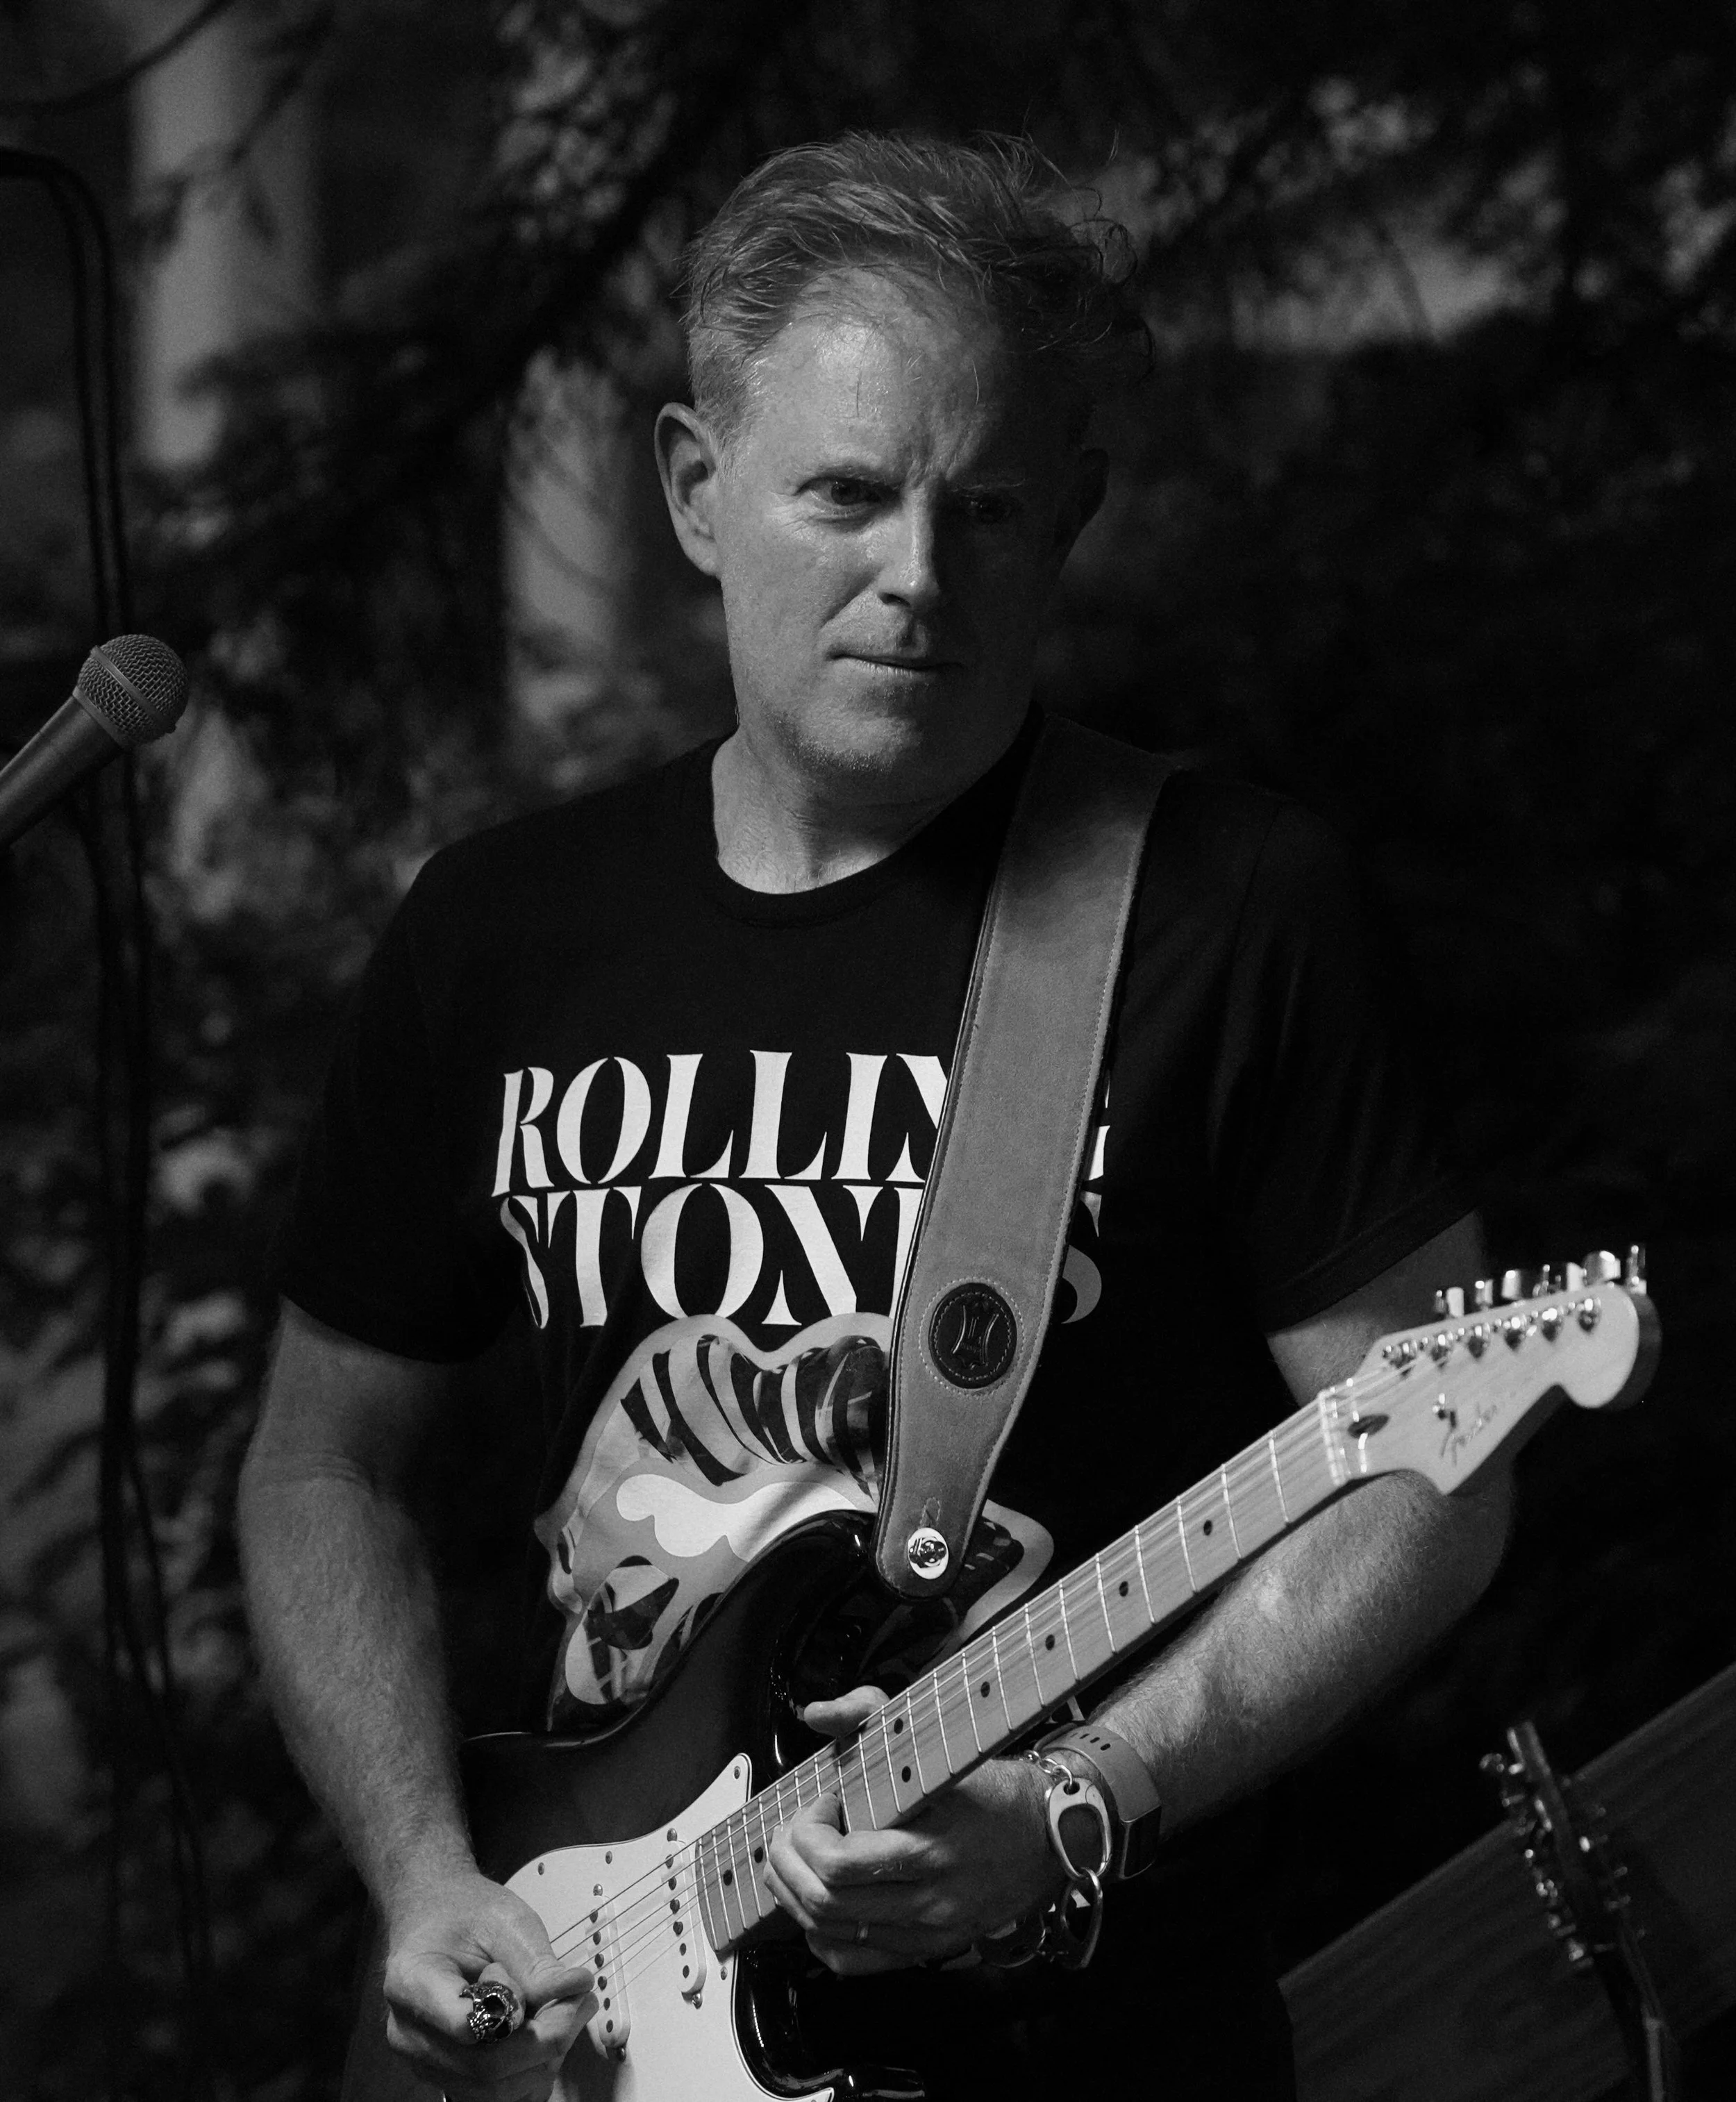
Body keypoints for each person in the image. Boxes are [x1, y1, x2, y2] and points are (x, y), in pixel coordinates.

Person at [239, 133, 1511, 2101]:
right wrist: (420, 1871)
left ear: (1067, 513)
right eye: (844, 494)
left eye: (985, 508)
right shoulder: (501, 926)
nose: (916, 576)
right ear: (694, 488)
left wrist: (1093, 1791)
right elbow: (323, 1463)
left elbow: (1435, 1463)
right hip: (590, 2011)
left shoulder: (1221, 906)